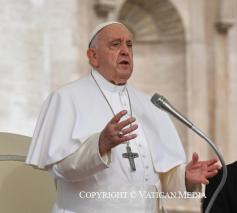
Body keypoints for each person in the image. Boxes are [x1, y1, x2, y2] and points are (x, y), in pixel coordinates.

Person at [26, 21, 220, 213]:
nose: (126, 51)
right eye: (116, 44)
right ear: (93, 56)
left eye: (129, 45)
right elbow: (59, 168)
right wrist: (99, 145)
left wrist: (185, 177)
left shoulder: (149, 105)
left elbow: (160, 178)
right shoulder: (66, 98)